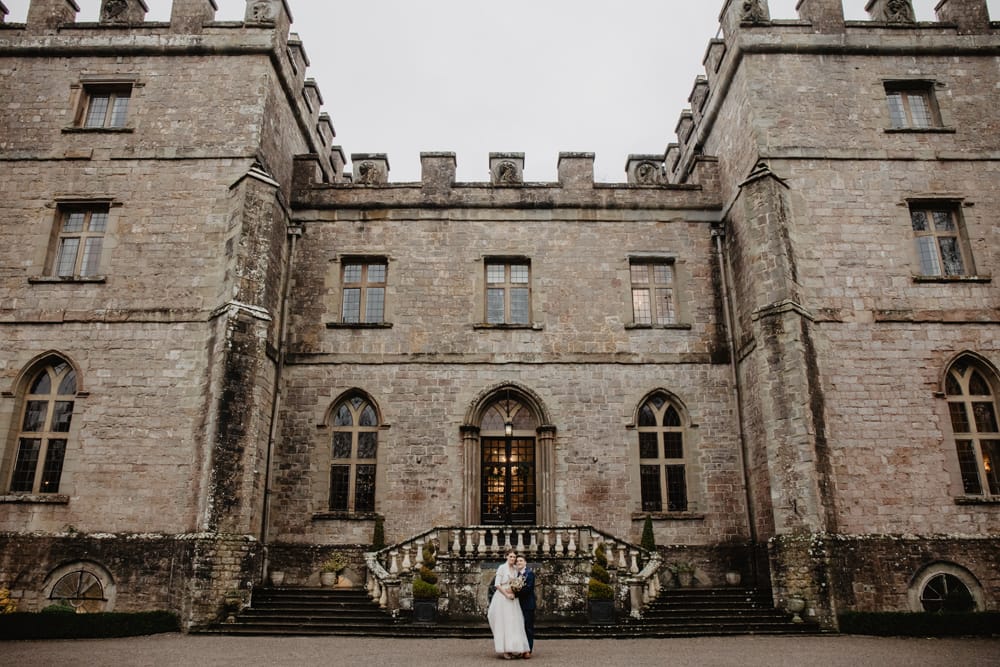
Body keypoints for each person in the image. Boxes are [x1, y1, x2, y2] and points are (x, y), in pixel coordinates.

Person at [487, 549, 530, 660]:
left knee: (515, 623)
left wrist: (514, 592)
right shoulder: (502, 567)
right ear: (506, 556)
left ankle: (515, 648)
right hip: (502, 598)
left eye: (514, 557)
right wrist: (506, 594)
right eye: (510, 556)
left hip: (513, 599)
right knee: (504, 623)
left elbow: (518, 583)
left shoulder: (516, 569)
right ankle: (505, 650)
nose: (512, 559)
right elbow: (497, 585)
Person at [514, 555, 536, 659]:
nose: (519, 562)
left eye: (521, 560)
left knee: (528, 628)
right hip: (518, 605)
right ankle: (520, 648)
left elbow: (528, 589)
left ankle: (528, 650)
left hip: (528, 604)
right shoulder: (516, 574)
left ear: (525, 562)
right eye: (517, 561)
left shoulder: (529, 573)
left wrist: (515, 593)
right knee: (519, 628)